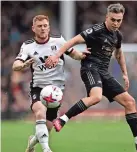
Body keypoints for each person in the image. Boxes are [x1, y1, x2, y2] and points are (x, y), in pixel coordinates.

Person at [45, 3, 137, 152]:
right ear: (107, 17)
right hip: (90, 68)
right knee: (96, 97)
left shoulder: (117, 35)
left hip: (104, 73)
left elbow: (119, 54)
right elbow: (72, 41)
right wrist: (56, 55)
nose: (116, 23)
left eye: (119, 20)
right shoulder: (96, 30)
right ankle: (62, 119)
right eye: (113, 19)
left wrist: (125, 73)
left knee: (130, 102)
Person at [12, 15, 89, 152]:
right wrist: (22, 65)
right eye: (39, 26)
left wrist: (83, 55)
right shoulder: (28, 46)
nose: (43, 28)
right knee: (40, 113)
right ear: (33, 28)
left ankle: (32, 142)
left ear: (48, 27)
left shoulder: (59, 41)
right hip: (38, 88)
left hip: (56, 90)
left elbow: (74, 55)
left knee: (47, 127)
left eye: (45, 26)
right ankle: (47, 149)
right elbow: (16, 64)